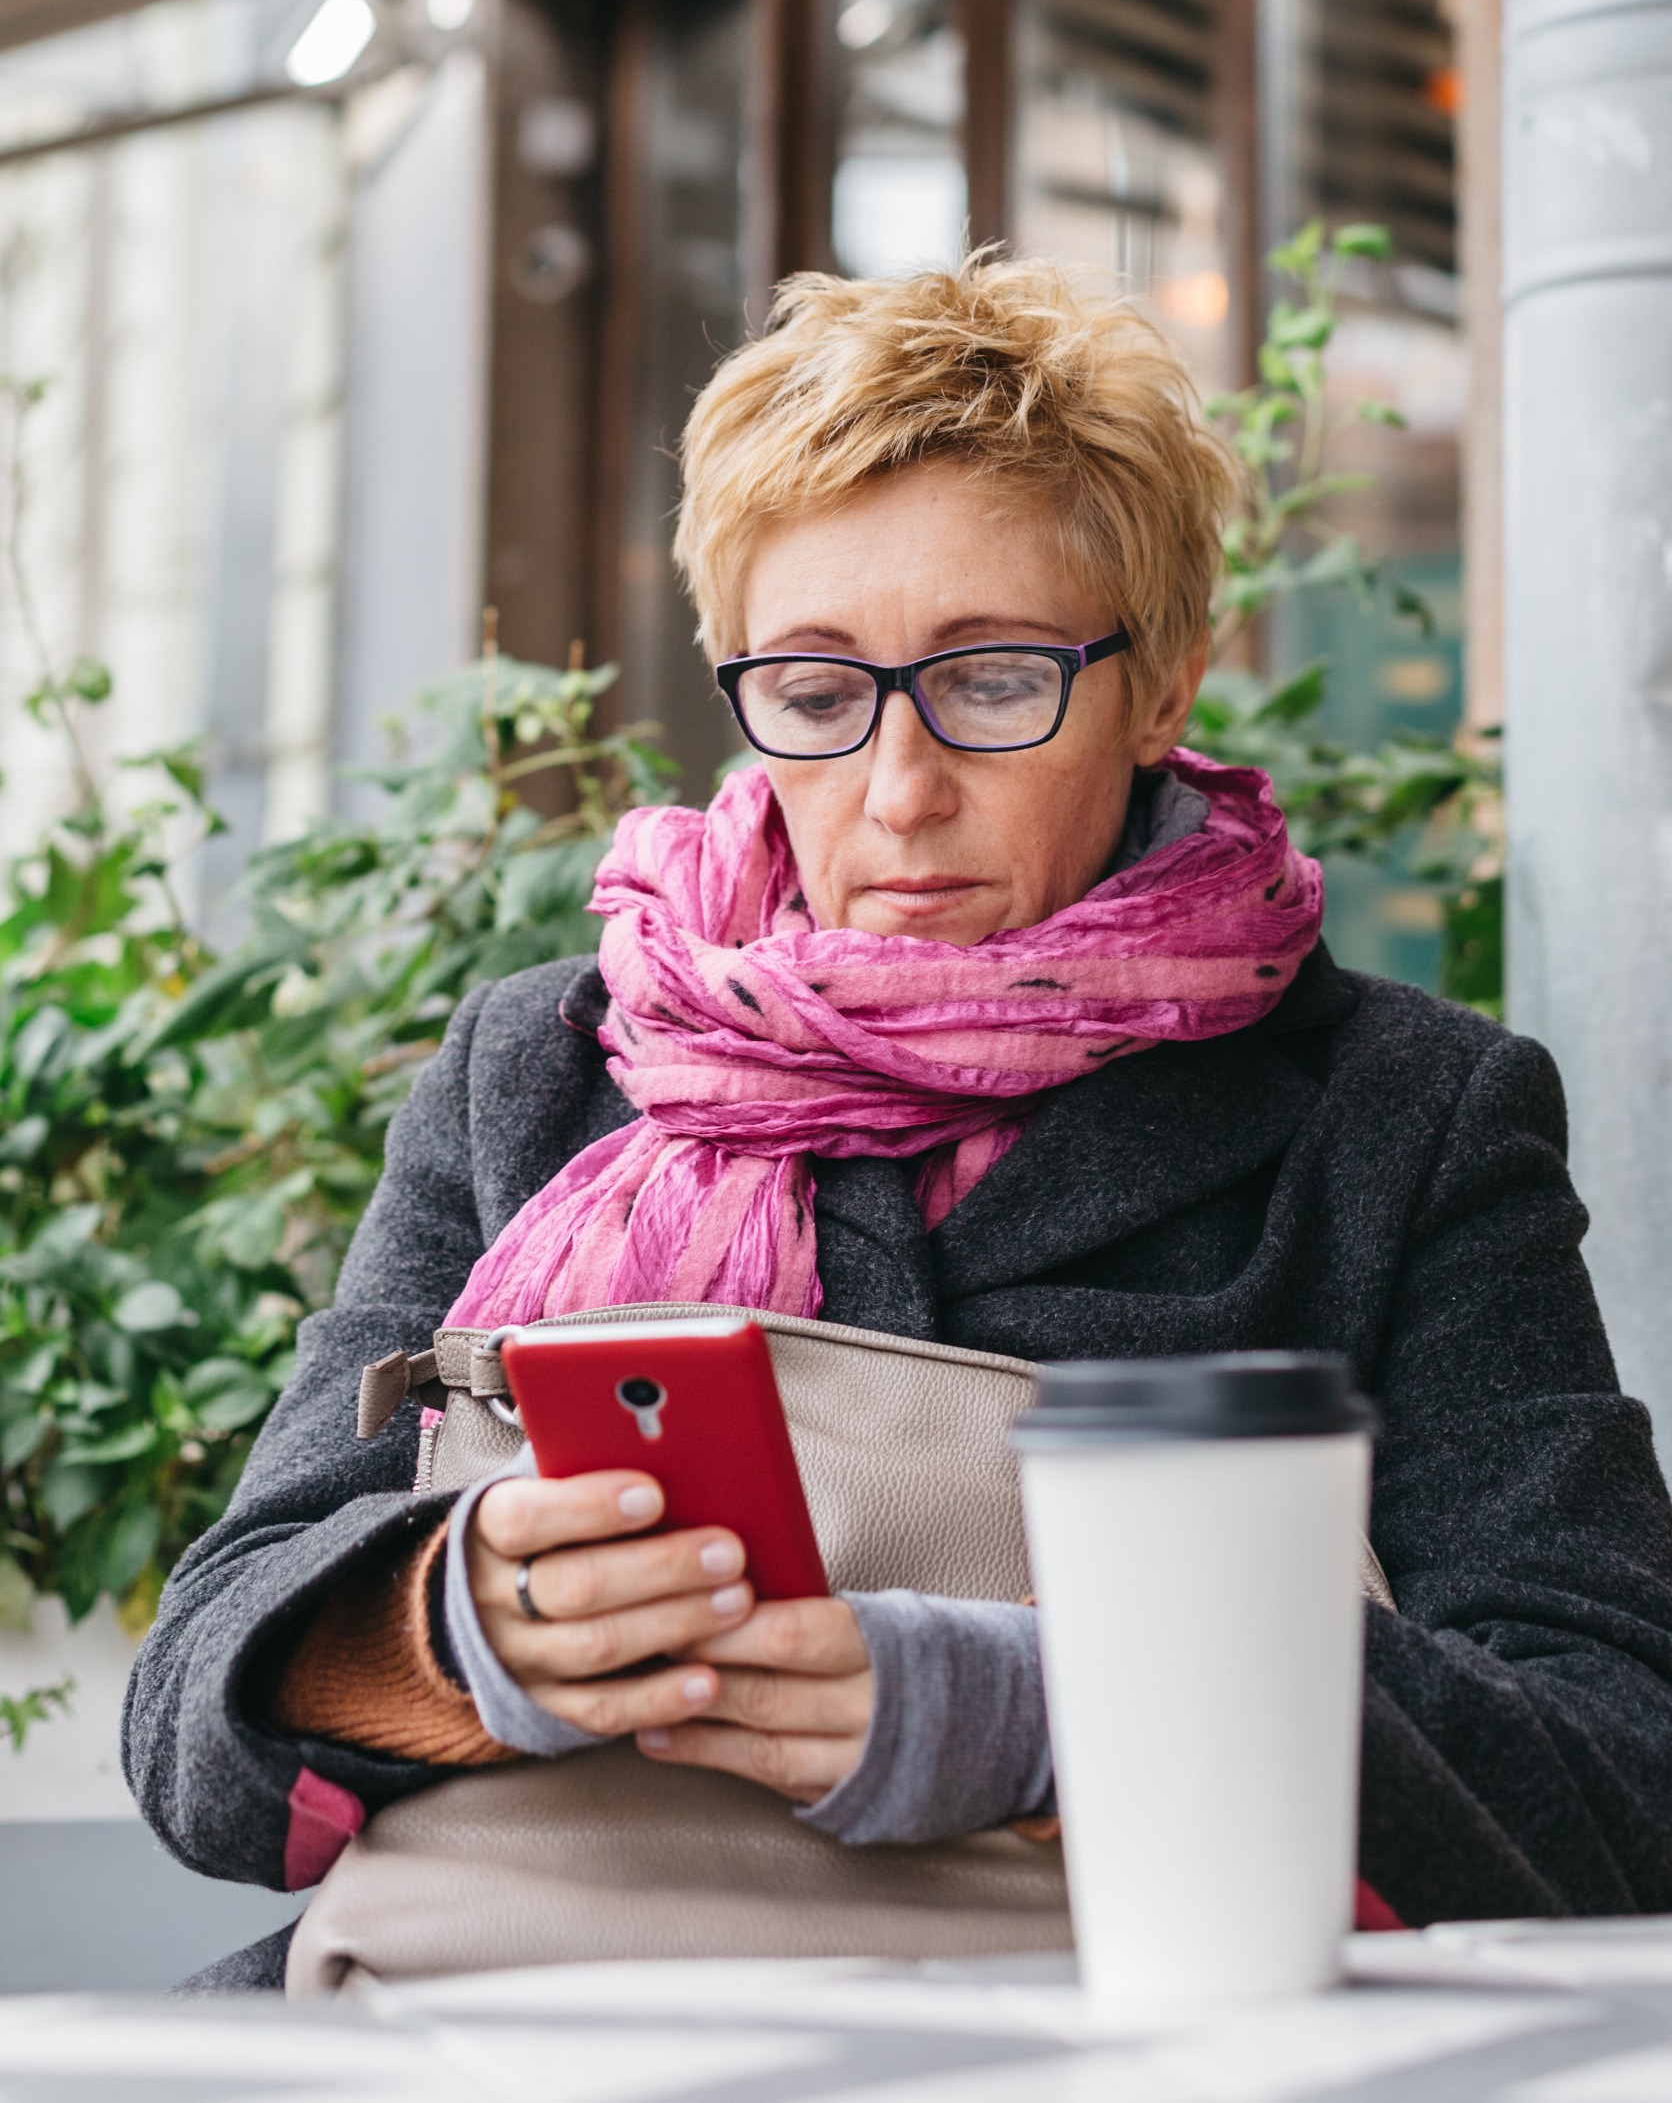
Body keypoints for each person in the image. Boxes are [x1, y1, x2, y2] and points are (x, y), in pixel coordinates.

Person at [126, 260, 1672, 1992]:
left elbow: (1618, 1779)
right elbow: (195, 1730)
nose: (900, 786)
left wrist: (1037, 1714)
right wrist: (457, 1624)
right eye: (812, 688)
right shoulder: (546, 1068)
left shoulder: (1399, 1117)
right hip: (490, 2017)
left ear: (1160, 686)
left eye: (996, 681)